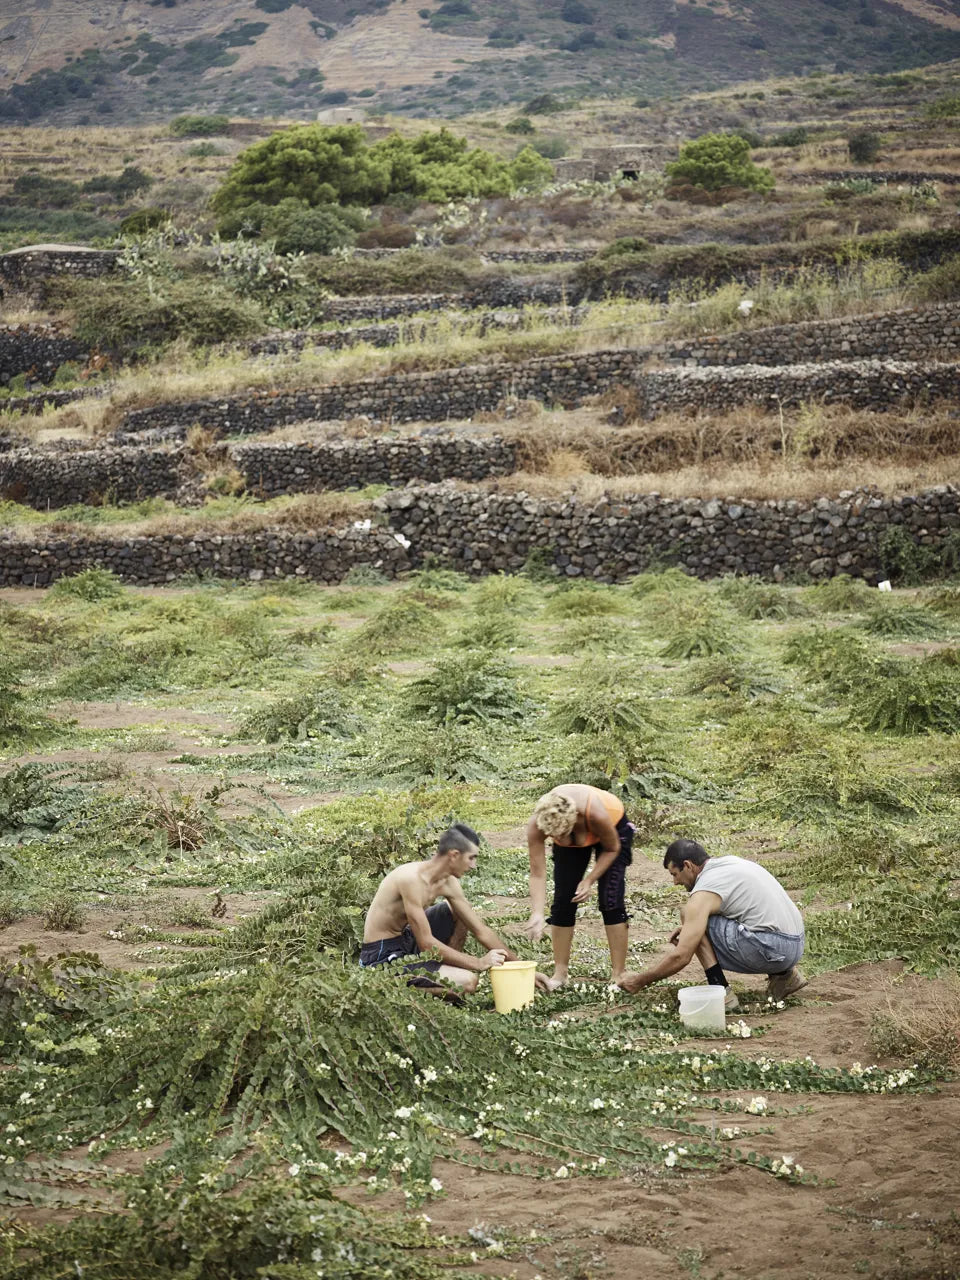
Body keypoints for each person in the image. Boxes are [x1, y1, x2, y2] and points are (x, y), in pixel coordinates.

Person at [618, 838, 806, 1009]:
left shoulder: (704, 891)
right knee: (696, 923)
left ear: (688, 865)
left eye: (675, 874)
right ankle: (785, 976)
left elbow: (681, 957)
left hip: (775, 947)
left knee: (690, 916)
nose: (675, 882)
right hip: (795, 945)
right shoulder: (729, 864)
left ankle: (722, 993)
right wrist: (691, 929)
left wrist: (640, 981)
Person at [360, 823, 534, 998]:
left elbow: (481, 931)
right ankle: (382, 986)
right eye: (471, 858)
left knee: (456, 911)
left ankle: (443, 970)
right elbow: (426, 944)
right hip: (382, 954)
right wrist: (478, 962)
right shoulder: (410, 879)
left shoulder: (449, 882)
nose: (474, 865)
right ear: (454, 855)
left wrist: (523, 970)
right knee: (467, 983)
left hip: (406, 937)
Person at [524, 783, 635, 990]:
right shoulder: (539, 824)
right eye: (554, 838)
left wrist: (589, 879)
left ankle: (618, 974)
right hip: (575, 831)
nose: (557, 839)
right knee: (563, 901)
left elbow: (612, 849)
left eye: (561, 834)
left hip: (613, 829)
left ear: (573, 822)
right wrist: (537, 913)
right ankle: (560, 973)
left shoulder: (596, 814)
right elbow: (537, 873)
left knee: (610, 899)